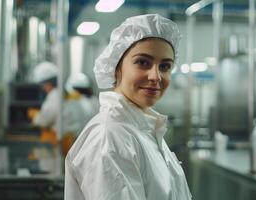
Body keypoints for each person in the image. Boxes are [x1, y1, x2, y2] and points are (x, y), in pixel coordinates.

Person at [65, 14, 192, 200]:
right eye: (143, 62)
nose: (156, 76)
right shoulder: (110, 138)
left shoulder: (144, 128)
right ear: (116, 68)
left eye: (165, 66)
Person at [29, 61, 85, 148]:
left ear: (48, 83)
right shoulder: (68, 92)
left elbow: (44, 120)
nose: (43, 88)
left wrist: (35, 116)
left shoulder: (55, 95)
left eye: (43, 85)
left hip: (60, 142)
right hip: (72, 140)